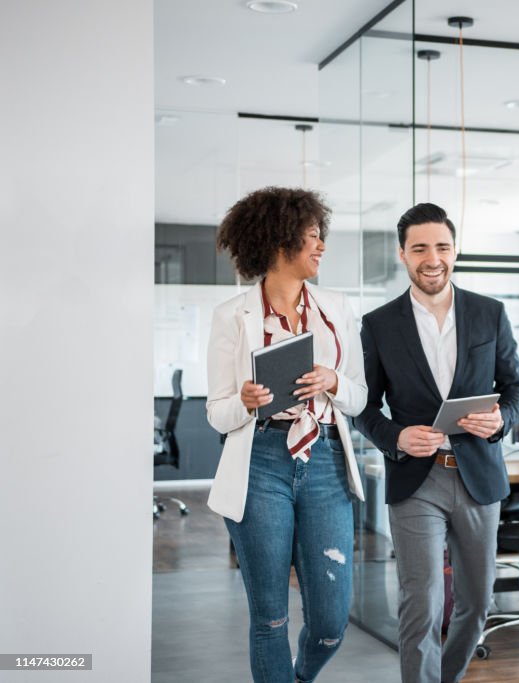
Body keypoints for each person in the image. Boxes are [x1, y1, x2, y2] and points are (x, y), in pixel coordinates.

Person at [354, 203, 519, 683]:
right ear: (403, 255)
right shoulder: (379, 324)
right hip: (417, 479)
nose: (433, 258)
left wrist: (500, 419)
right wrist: (396, 436)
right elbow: (362, 408)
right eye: (420, 248)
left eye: (442, 247)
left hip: (477, 475)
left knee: (477, 602)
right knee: (423, 601)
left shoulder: (490, 314)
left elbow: (517, 386)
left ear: (455, 250)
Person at [205, 187, 367, 683]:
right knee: (270, 617)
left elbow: (358, 398)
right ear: (280, 241)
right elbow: (217, 412)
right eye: (312, 236)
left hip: (324, 459)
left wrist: (334, 380)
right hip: (260, 461)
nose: (321, 247)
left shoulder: (336, 308)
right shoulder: (232, 315)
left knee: (330, 623)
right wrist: (247, 402)